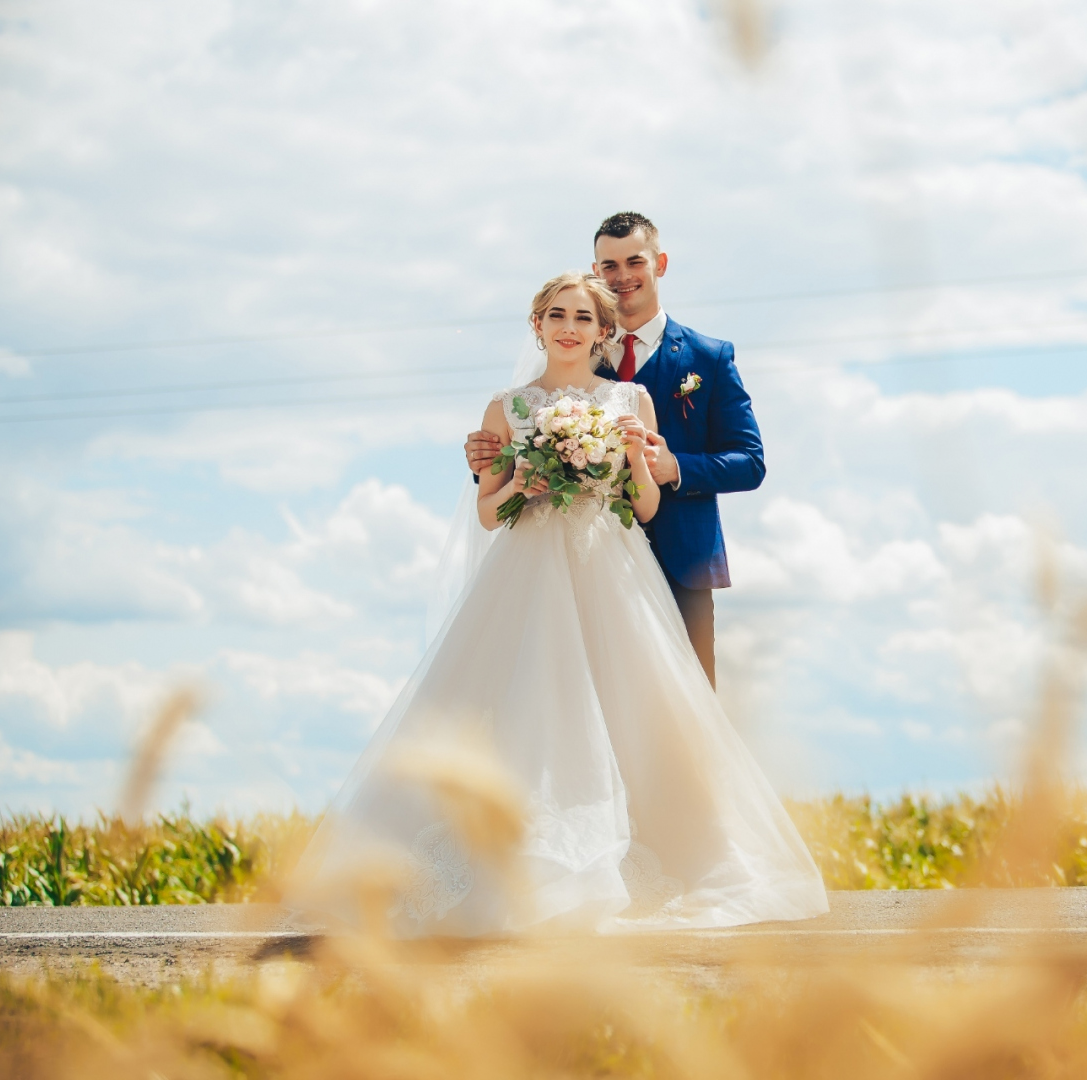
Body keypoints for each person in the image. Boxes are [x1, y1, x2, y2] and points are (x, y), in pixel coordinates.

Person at [292, 271, 827, 936]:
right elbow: (489, 515)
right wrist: (519, 479)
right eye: (555, 315)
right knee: (526, 702)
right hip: (527, 569)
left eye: (582, 317)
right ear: (537, 326)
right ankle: (503, 864)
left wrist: (636, 458)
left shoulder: (630, 398)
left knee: (627, 704)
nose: (568, 327)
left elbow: (648, 505)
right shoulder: (506, 408)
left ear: (605, 332)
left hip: (611, 567)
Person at [466, 212, 761, 687]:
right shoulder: (561, 358)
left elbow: (750, 461)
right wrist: (488, 457)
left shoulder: (708, 358)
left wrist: (672, 466)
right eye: (609, 265)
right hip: (556, 562)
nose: (622, 276)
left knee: (682, 710)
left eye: (634, 262)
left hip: (678, 559)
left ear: (659, 264)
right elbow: (514, 447)